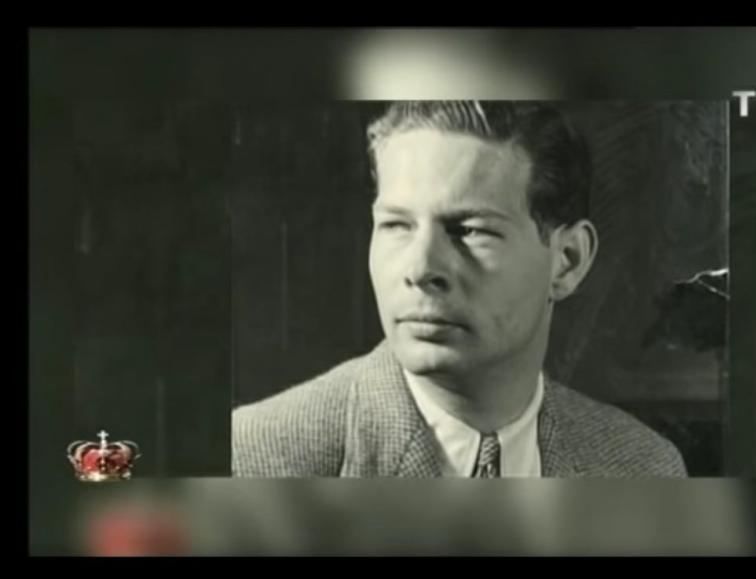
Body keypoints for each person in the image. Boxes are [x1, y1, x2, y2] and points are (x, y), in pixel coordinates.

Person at [232, 101, 686, 478]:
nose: (420, 269)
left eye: (469, 230)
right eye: (396, 225)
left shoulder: (645, 467)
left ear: (567, 260)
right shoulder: (253, 459)